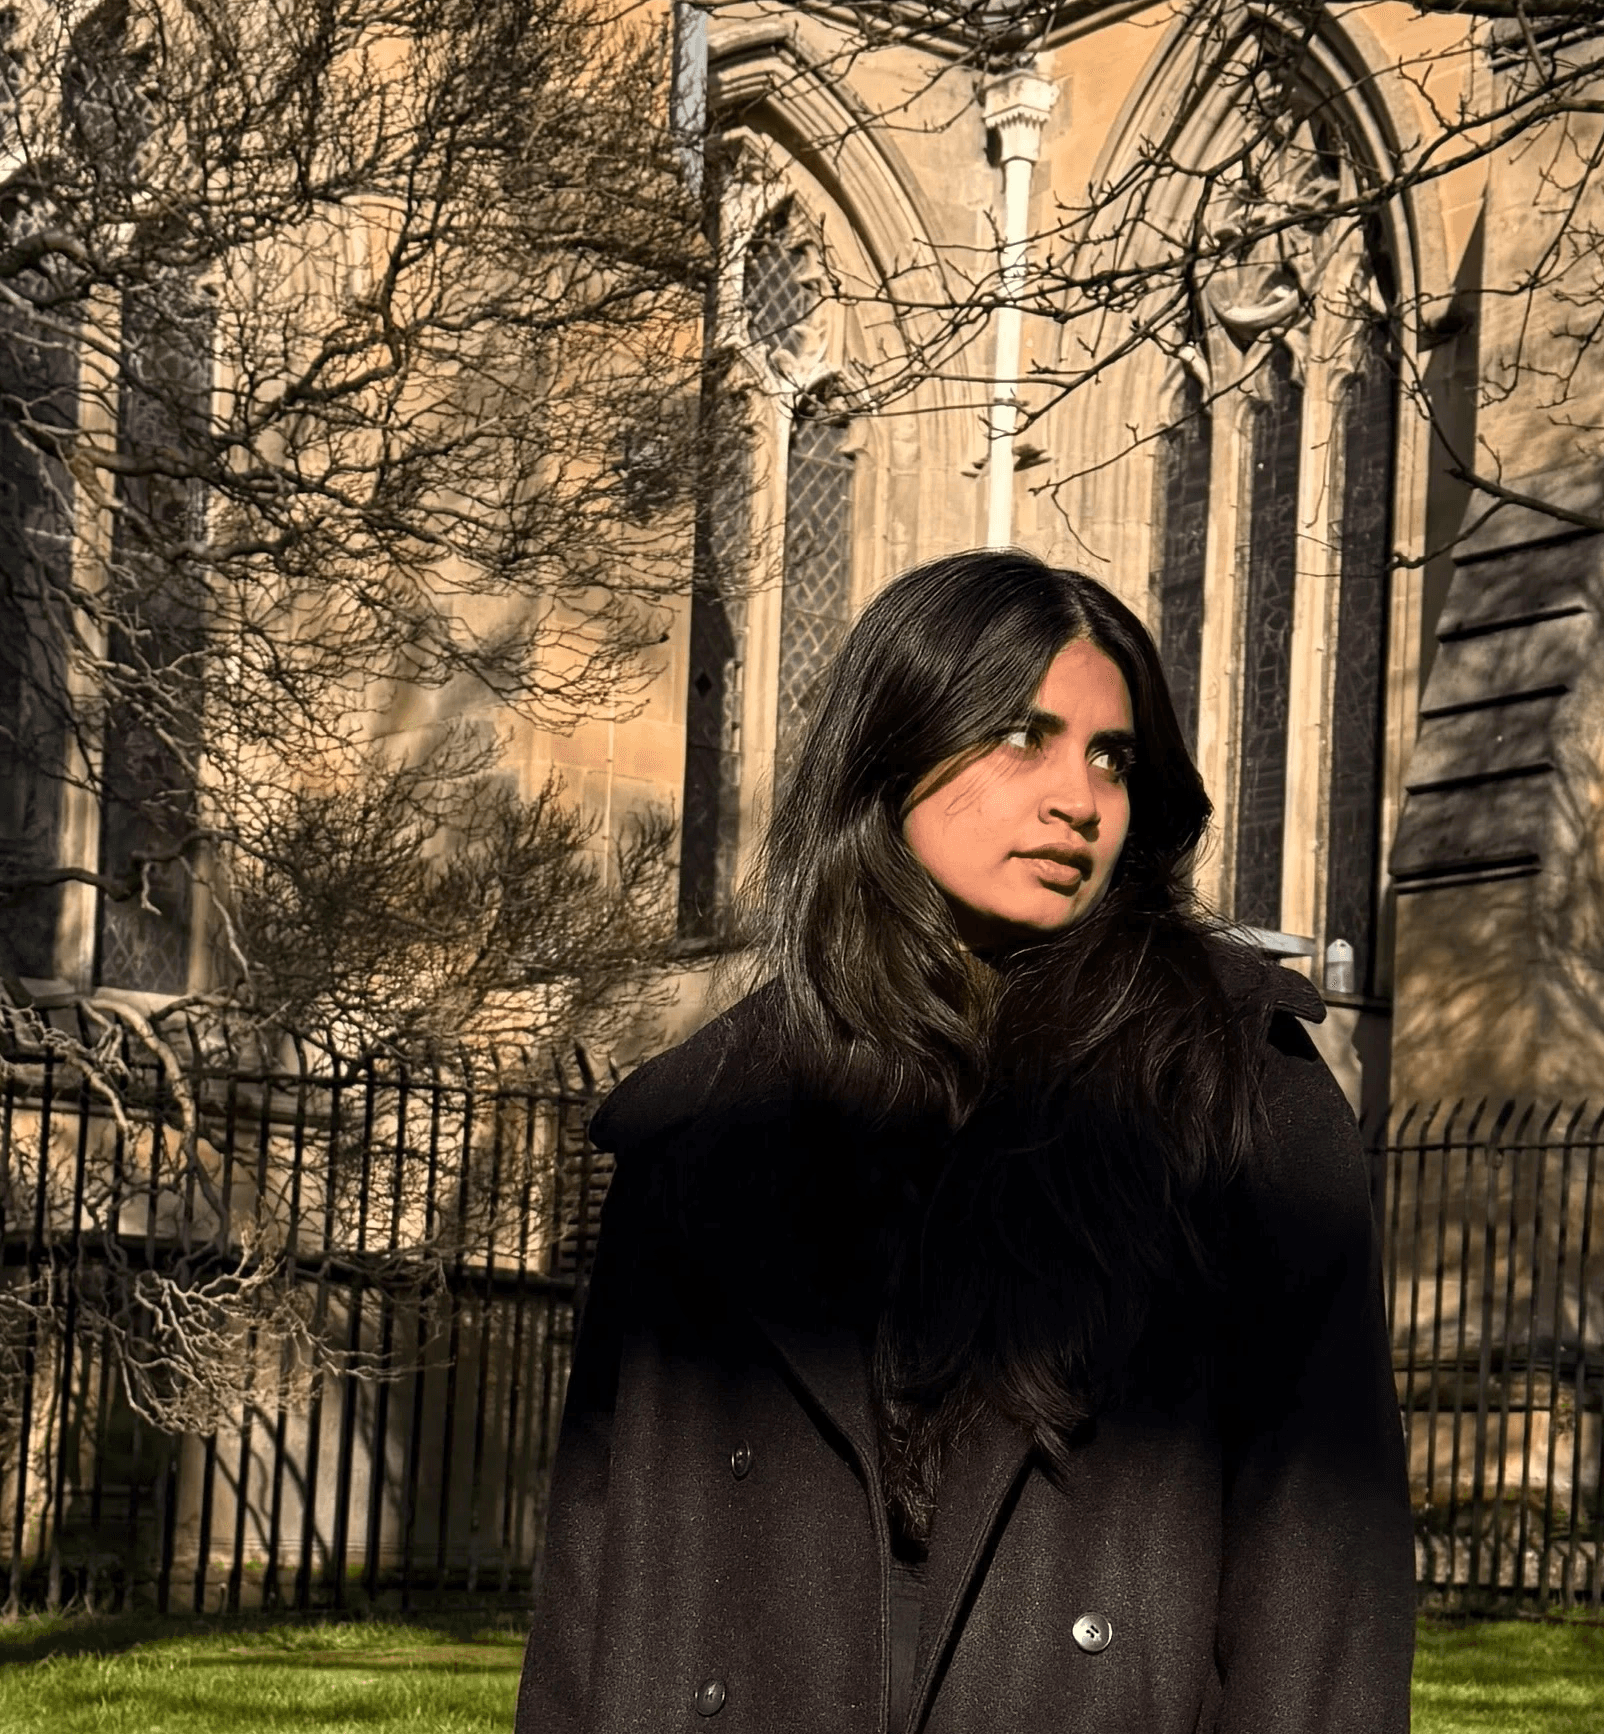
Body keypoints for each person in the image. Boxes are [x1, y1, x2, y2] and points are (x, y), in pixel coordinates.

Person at [515, 549, 1414, 1734]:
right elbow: (601, 1568)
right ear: (892, 749)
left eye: (1112, 755)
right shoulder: (699, 1123)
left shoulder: (1239, 1092)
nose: (1079, 798)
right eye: (1020, 736)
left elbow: (1323, 1561)